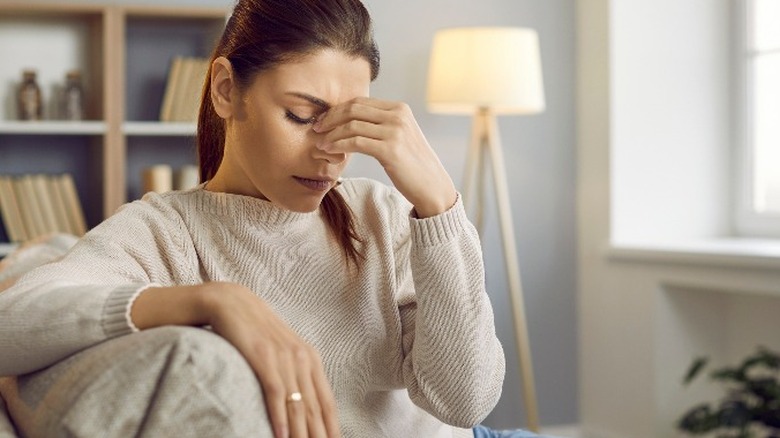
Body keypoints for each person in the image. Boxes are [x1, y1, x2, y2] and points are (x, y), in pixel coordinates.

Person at [0, 0, 544, 437]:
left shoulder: (379, 214)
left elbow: (465, 401)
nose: (331, 152)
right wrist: (212, 299)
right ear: (225, 89)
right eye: (302, 116)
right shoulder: (164, 232)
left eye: (348, 122)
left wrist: (440, 205)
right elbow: (13, 323)